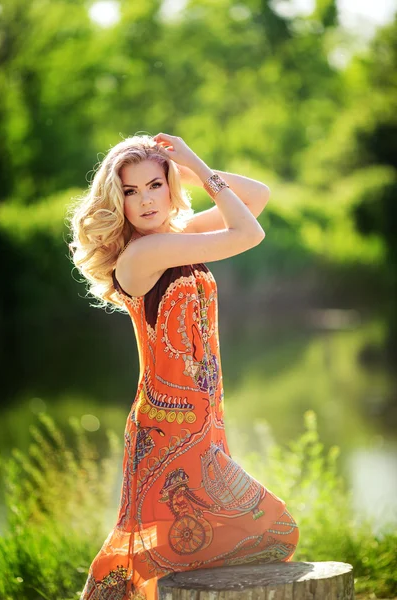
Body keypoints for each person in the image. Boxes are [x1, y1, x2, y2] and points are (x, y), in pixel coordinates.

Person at [68, 133, 299, 600]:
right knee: (273, 531)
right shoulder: (144, 254)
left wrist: (189, 165)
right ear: (118, 202)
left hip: (202, 419)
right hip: (168, 428)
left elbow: (257, 197)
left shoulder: (176, 238)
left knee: (198, 549)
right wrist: (187, 167)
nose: (146, 200)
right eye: (131, 192)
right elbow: (249, 233)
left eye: (155, 185)